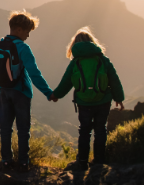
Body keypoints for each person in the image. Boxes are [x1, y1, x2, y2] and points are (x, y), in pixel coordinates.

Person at [51, 26, 125, 171]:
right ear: (92, 42)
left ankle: (82, 162)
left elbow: (66, 82)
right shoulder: (102, 59)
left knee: (84, 131)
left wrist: (56, 95)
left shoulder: (75, 62)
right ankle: (98, 161)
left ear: (75, 45)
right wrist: (119, 98)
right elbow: (114, 79)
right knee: (100, 130)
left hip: (84, 102)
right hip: (103, 101)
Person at [0, 10, 55, 172]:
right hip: (21, 93)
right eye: (27, 31)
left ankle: (6, 160)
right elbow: (34, 73)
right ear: (18, 29)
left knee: (5, 128)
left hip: (4, 92)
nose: (28, 35)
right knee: (23, 129)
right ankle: (23, 162)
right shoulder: (23, 48)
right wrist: (48, 92)